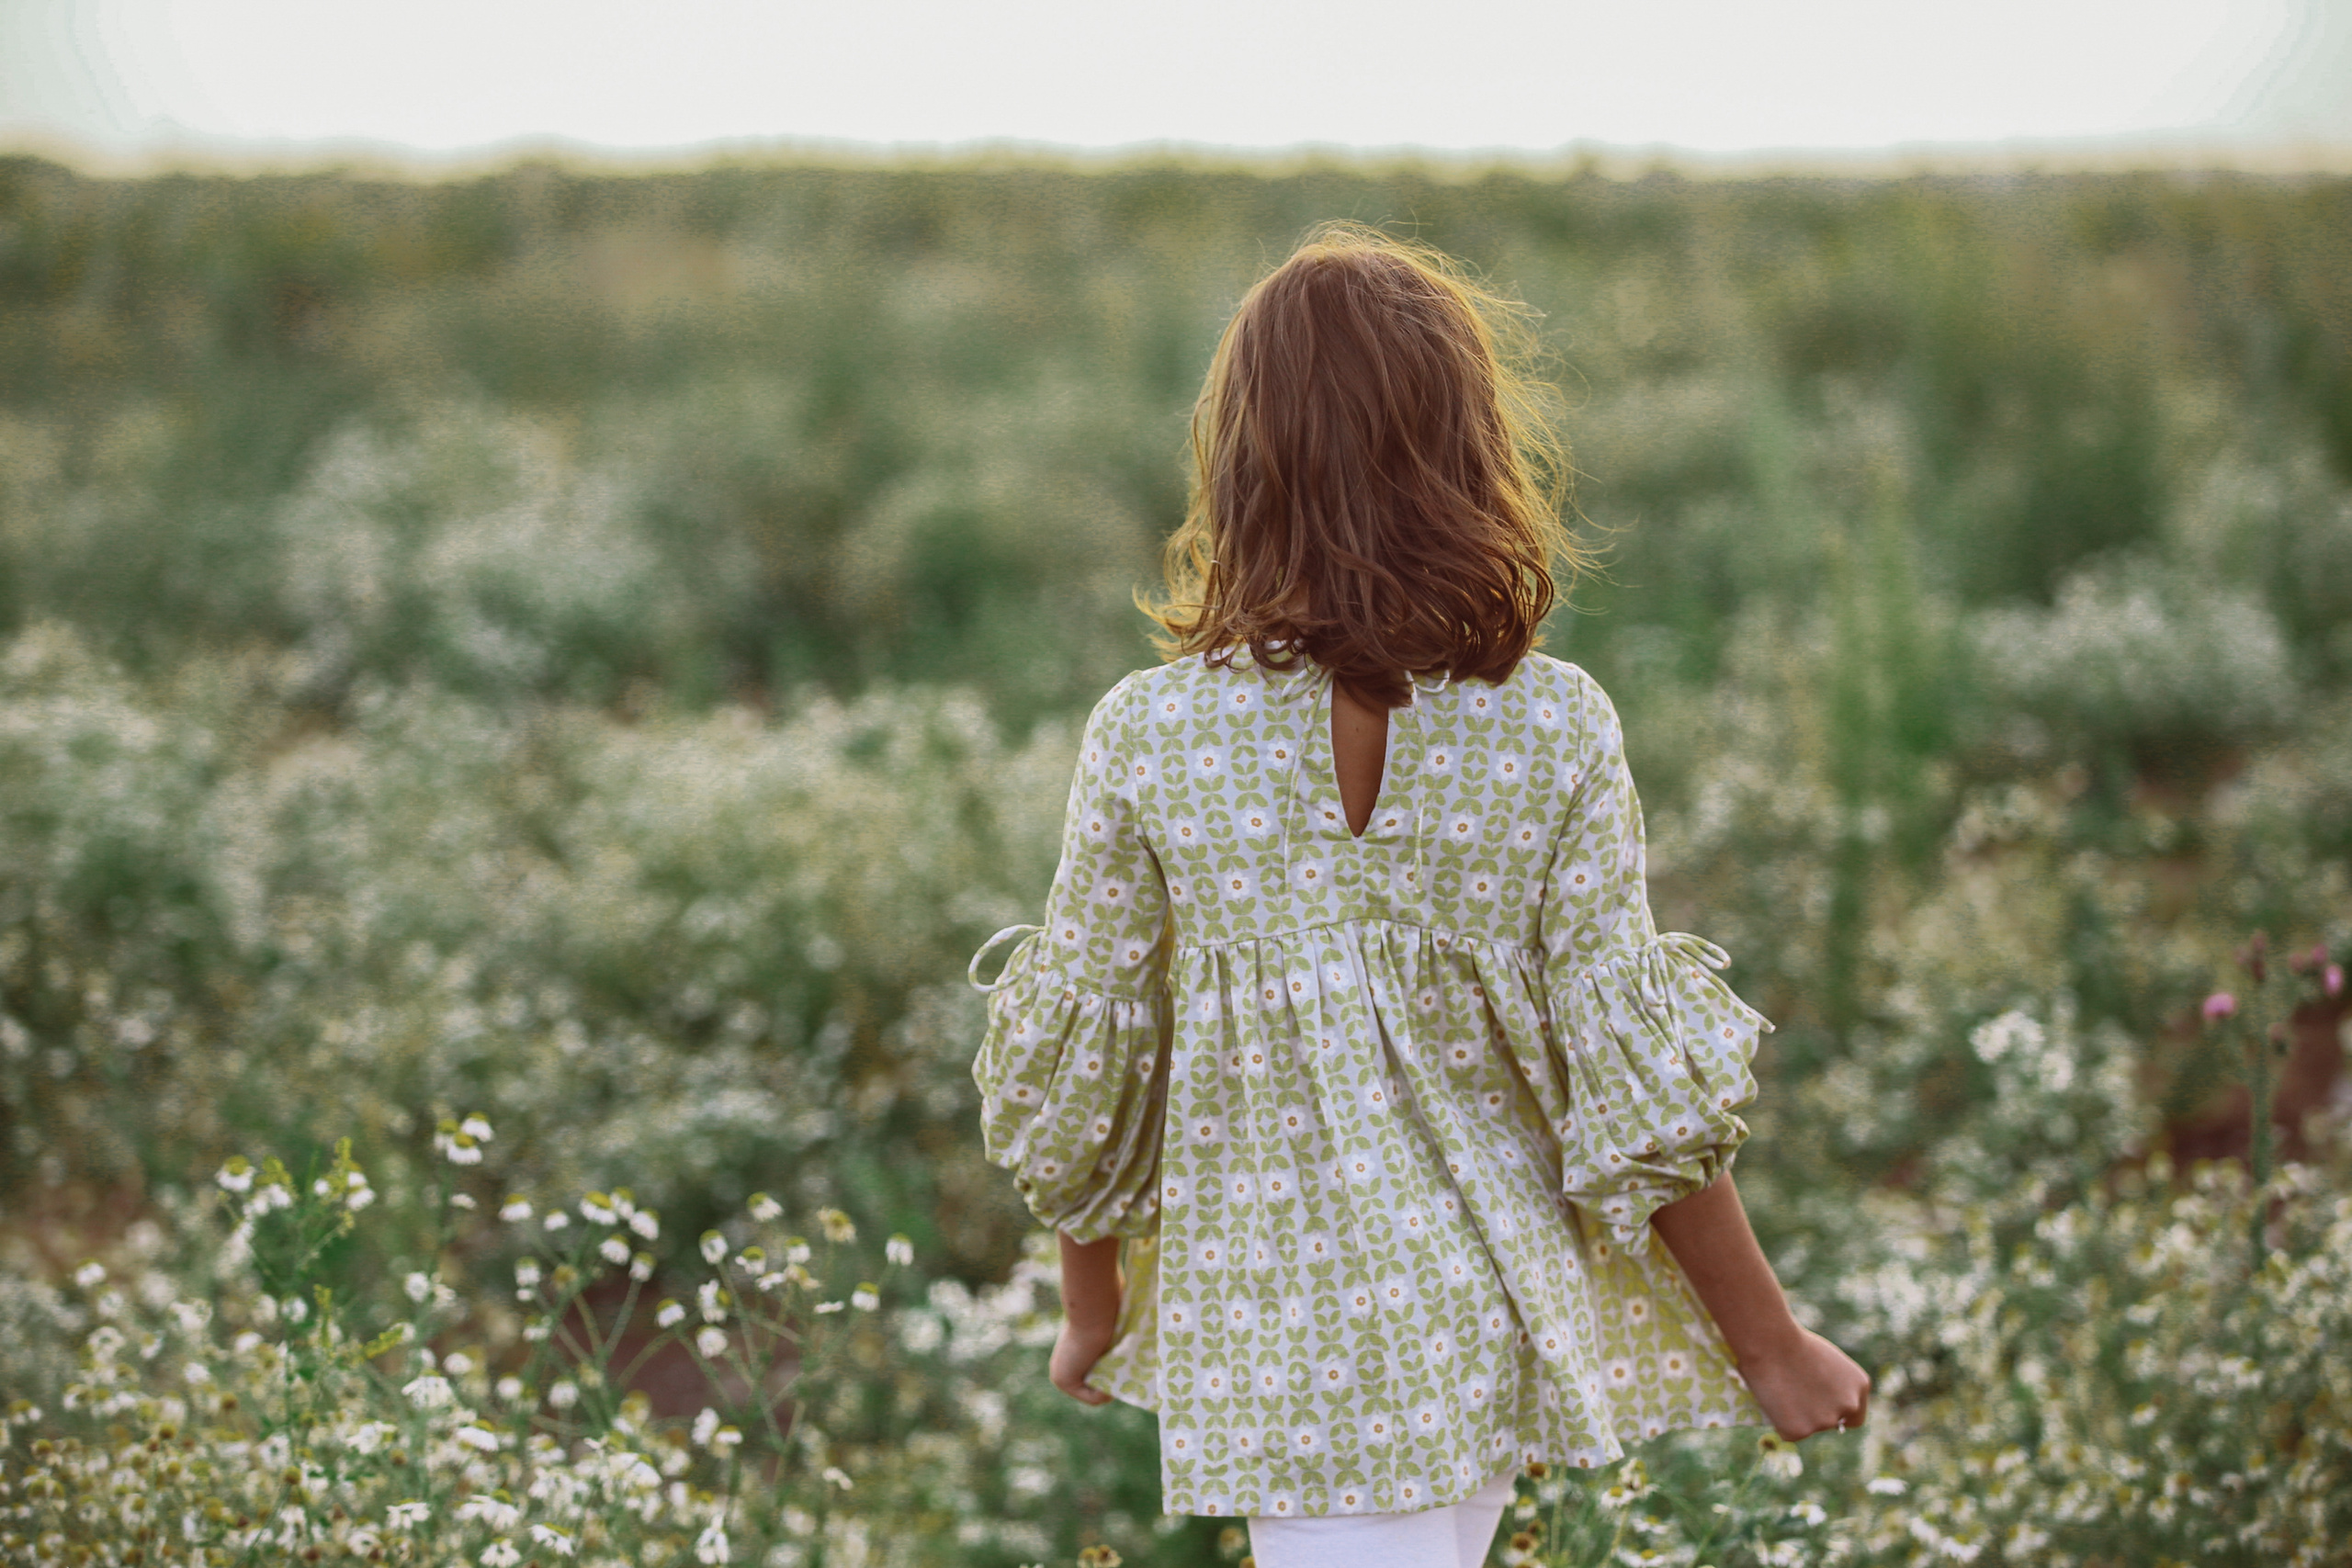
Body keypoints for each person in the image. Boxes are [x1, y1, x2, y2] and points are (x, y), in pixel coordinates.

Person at [966, 223, 1869, 1568]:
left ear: (1244, 461)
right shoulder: (1552, 725)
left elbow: (1087, 1072)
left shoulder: (1150, 735)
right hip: (1487, 1306)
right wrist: (1767, 1339)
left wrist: (1092, 1306)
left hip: (1288, 1336)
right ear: (1467, 454)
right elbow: (1636, 1085)